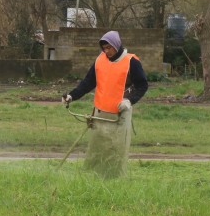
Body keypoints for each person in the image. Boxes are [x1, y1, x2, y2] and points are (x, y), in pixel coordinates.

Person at [62, 31, 148, 177]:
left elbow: (142, 85)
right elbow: (88, 83)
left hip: (119, 115)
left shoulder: (131, 62)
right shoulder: (100, 60)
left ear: (117, 45)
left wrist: (129, 100)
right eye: (104, 48)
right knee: (97, 148)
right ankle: (92, 175)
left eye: (109, 47)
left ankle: (114, 178)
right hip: (100, 114)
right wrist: (71, 96)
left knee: (115, 150)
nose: (106, 51)